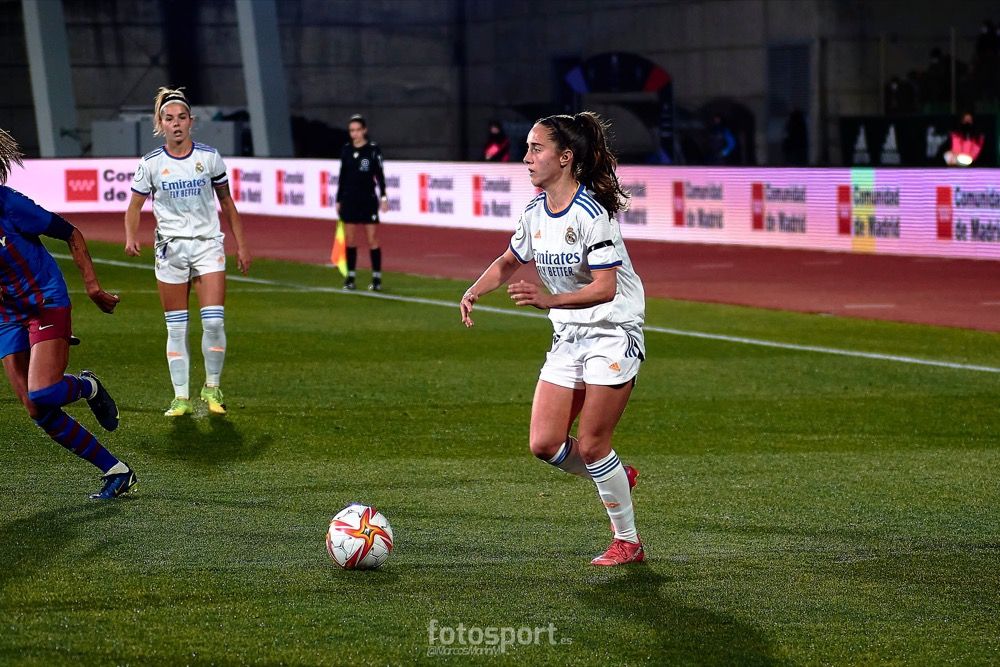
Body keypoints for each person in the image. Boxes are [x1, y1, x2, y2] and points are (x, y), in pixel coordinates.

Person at [459, 111, 646, 566]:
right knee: (544, 444)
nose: (526, 158)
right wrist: (475, 290)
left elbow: (605, 288)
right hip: (570, 335)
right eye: (527, 148)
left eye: (536, 148)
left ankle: (628, 542)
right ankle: (614, 475)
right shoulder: (534, 212)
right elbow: (509, 260)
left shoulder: (592, 214)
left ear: (565, 158)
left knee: (594, 444)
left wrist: (547, 301)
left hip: (612, 333)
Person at [0, 129, 136, 499]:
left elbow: (71, 233)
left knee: (44, 391)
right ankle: (117, 470)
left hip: (45, 301)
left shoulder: (10, 205)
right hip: (7, 315)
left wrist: (92, 287)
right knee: (35, 407)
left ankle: (88, 386)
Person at [124, 87, 251, 417]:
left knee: (214, 322)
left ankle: (212, 387)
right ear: (160, 124)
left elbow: (227, 202)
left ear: (191, 121)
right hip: (171, 250)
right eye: (169, 119)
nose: (176, 123)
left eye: (182, 118)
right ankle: (180, 397)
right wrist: (130, 236)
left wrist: (241, 244)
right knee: (176, 328)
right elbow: (134, 206)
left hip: (208, 245)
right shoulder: (150, 164)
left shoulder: (209, 157)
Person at [336, 114, 389, 291]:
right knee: (350, 239)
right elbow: (342, 176)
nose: (355, 133)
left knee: (372, 238)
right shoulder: (346, 150)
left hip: (368, 199)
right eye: (352, 130)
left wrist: (383, 197)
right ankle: (350, 277)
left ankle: (377, 278)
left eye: (358, 130)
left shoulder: (373, 150)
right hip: (350, 199)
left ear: (364, 130)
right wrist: (339, 199)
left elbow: (380, 175)